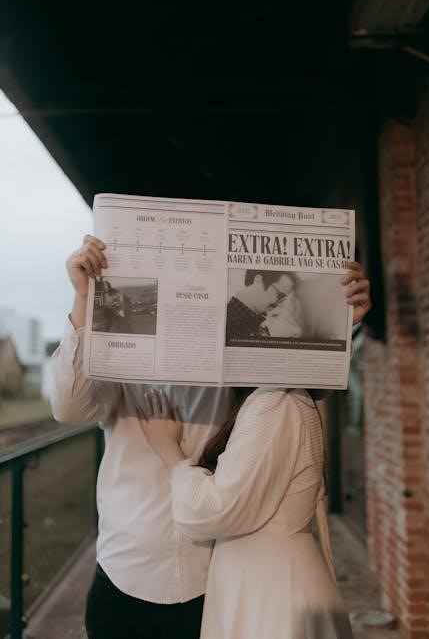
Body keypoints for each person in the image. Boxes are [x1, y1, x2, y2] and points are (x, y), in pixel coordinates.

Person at [50, 234, 371, 639]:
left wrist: (338, 317)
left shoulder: (242, 352)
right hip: (127, 573)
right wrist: (83, 298)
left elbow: (300, 386)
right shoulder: (121, 352)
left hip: (212, 580)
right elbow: (70, 408)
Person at [138, 386, 352, 639]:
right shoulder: (284, 399)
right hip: (268, 578)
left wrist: (167, 447)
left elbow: (213, 510)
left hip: (271, 587)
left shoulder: (274, 403)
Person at [225, 269, 300, 342]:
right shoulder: (226, 323)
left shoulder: (257, 326)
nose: (277, 305)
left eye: (282, 300)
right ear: (258, 280)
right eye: (279, 295)